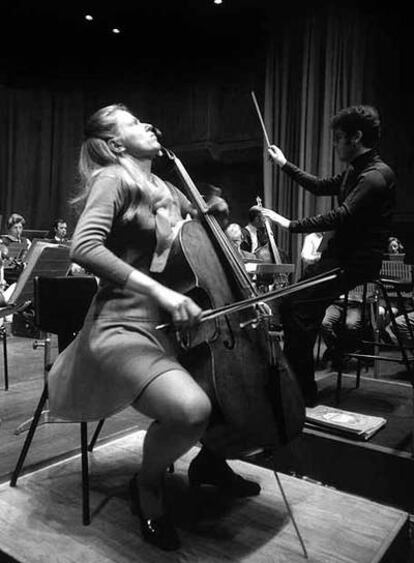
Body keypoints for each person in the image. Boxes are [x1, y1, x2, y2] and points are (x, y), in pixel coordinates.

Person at [47, 104, 259, 552]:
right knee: (190, 411)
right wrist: (161, 293)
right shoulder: (114, 178)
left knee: (240, 393)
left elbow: (194, 242)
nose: (147, 123)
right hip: (122, 324)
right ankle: (146, 487)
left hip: (175, 327)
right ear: (115, 143)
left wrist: (215, 214)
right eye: (132, 121)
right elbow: (82, 247)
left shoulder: (165, 186)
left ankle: (209, 464)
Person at [261, 105, 395, 405]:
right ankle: (293, 383)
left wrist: (288, 224)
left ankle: (299, 391)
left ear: (355, 137)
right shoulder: (355, 171)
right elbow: (320, 186)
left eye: (337, 139)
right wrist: (284, 164)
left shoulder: (375, 176)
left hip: (355, 262)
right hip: (340, 257)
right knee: (290, 304)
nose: (335, 145)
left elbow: (342, 215)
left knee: (299, 310)